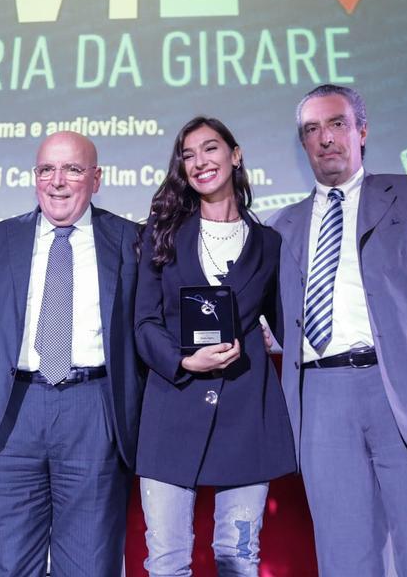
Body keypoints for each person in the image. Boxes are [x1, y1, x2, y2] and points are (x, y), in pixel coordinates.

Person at [270, 84, 407, 576]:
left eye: (337, 124)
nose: (325, 138)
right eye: (312, 129)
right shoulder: (282, 226)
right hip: (320, 399)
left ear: (362, 131)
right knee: (344, 557)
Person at [0, 131, 143, 577]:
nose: (57, 181)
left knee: (90, 564)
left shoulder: (132, 241)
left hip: (95, 409)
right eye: (46, 169)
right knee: (9, 560)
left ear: (96, 179)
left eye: (72, 169)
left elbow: (150, 325)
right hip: (14, 409)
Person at [134, 116, 295, 576]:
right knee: (167, 562)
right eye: (188, 155)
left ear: (235, 155)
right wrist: (184, 360)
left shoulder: (269, 243)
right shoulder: (161, 232)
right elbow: (143, 323)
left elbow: (286, 325)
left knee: (238, 558)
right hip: (171, 410)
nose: (199, 162)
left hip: (246, 414)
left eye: (210, 148)